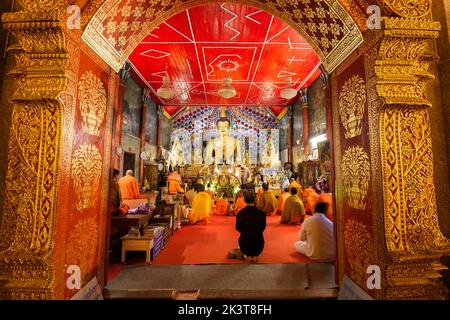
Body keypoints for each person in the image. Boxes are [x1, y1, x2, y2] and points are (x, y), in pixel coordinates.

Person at [236, 191, 266, 263]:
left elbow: (238, 228)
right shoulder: (261, 213)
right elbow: (262, 228)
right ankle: (255, 255)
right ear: (255, 200)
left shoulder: (240, 213)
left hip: (244, 244)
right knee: (256, 249)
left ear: (244, 200)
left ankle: (248, 255)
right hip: (259, 244)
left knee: (241, 246)